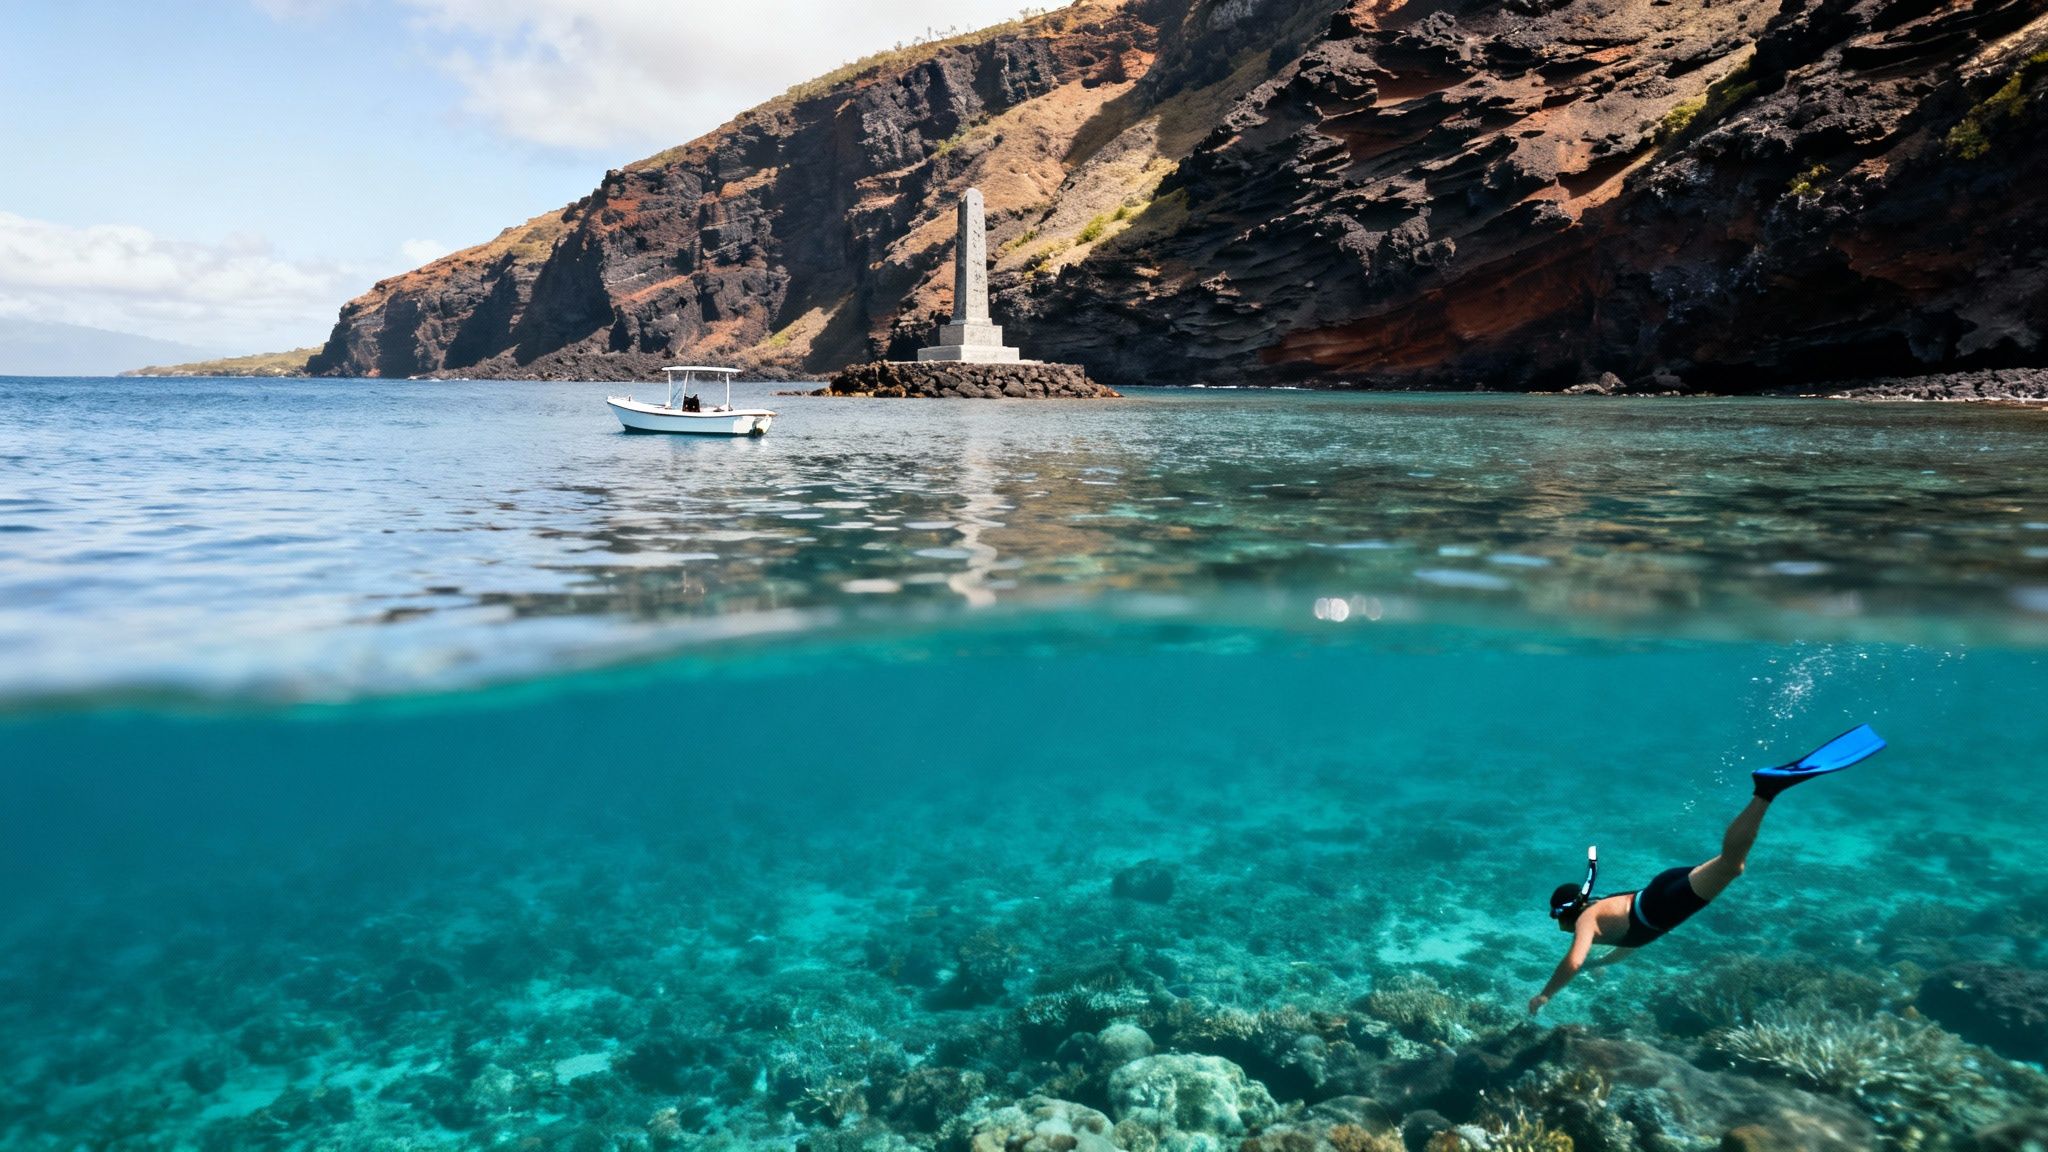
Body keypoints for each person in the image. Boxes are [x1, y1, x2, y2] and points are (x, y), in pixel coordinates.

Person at [1528, 725, 1885, 1015]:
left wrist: (1545, 996)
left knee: (1732, 865)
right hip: (1660, 896)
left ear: (1566, 912)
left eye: (1554, 916)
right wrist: (1600, 965)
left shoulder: (1587, 920)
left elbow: (1572, 963)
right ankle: (1768, 790)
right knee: (1732, 866)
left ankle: (1766, 791)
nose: (1555, 924)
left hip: (1664, 901)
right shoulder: (1601, 921)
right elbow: (1631, 944)